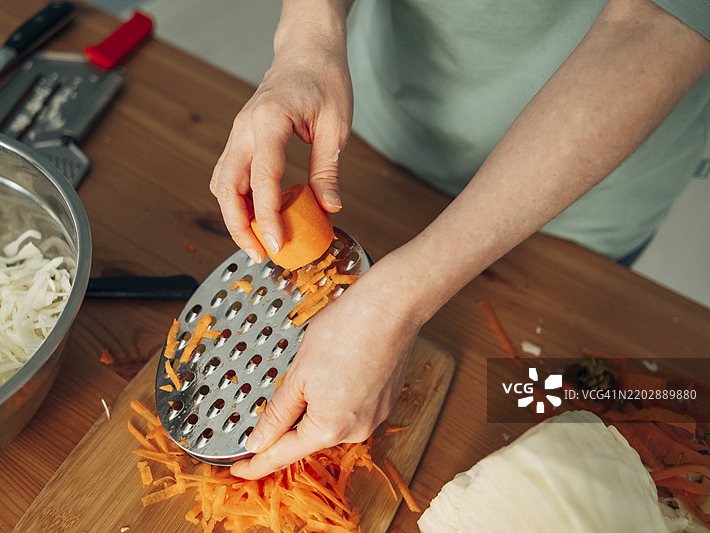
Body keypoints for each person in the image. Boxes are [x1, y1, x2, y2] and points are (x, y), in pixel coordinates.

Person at [209, 0, 710, 480]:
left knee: (545, 379)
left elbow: (657, 24)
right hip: (387, 118)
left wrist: (392, 308)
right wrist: (308, 39)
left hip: (577, 186)